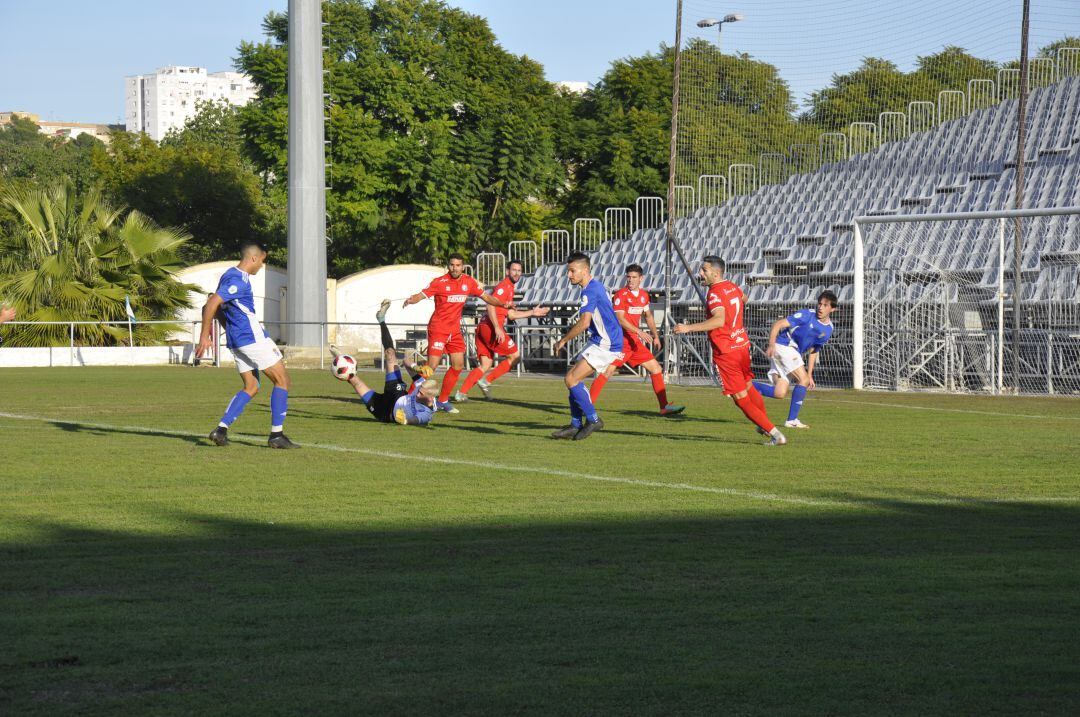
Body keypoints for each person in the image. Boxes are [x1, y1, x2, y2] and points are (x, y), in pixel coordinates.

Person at [675, 256, 786, 446]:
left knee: (739, 398)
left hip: (727, 351)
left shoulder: (714, 293)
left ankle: (777, 435)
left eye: (704, 270)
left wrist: (688, 328)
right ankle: (765, 425)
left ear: (716, 273)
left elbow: (719, 320)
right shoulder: (732, 286)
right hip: (741, 345)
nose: (700, 273)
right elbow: (744, 298)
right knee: (749, 387)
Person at [195, 242, 298, 449]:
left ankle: (221, 430)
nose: (261, 265)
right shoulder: (238, 281)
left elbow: (214, 306)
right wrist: (204, 336)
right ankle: (276, 435)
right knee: (283, 381)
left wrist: (226, 329)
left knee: (251, 387)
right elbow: (212, 304)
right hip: (252, 339)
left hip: (237, 340)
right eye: (261, 260)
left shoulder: (227, 275)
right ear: (253, 258)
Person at [402, 253, 507, 413]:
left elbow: (486, 297)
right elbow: (422, 295)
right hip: (438, 329)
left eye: (458, 265)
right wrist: (411, 300)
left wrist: (503, 304)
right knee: (431, 367)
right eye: (452, 265)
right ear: (448, 266)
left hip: (454, 331)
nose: (454, 268)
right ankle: (407, 399)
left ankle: (443, 400)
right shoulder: (439, 282)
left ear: (462, 267)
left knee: (458, 365)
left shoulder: (469, 282)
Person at [588, 263, 684, 416]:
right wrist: (640, 331)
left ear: (641, 278)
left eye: (634, 277)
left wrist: (655, 336)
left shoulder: (644, 296)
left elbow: (648, 316)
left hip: (635, 342)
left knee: (656, 369)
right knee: (607, 372)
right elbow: (620, 319)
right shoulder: (620, 295)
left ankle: (664, 406)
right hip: (621, 341)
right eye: (628, 277)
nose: (630, 280)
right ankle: (586, 406)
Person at [551, 252, 624, 441]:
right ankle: (575, 425)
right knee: (572, 380)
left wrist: (564, 340)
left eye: (572, 271)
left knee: (571, 379)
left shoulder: (591, 290)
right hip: (600, 340)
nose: (569, 275)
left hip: (606, 343)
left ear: (585, 270)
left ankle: (593, 420)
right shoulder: (595, 287)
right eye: (568, 271)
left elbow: (584, 322)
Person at [455, 260, 550, 400]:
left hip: (483, 327)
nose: (516, 273)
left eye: (519, 270)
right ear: (507, 271)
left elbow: (511, 314)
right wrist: (497, 328)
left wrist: (532, 312)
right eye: (514, 270)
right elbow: (490, 305)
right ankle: (486, 381)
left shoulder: (510, 288)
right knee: (516, 356)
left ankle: (461, 393)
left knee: (486, 364)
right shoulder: (504, 286)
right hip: (490, 328)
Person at [338, 301, 438, 426]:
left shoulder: (426, 413)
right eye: (419, 390)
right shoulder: (422, 385)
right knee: (390, 354)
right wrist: (416, 368)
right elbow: (406, 360)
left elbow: (415, 421)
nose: (417, 392)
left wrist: (405, 420)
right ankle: (381, 319)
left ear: (430, 398)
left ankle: (340, 361)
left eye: (420, 393)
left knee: (354, 380)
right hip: (397, 393)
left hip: (385, 411)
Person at [752, 290, 838, 429]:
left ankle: (743, 386)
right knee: (802, 380)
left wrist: (810, 374)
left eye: (825, 305)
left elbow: (814, 350)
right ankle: (792, 420)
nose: (820, 307)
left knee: (779, 393)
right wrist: (771, 344)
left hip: (790, 353)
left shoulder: (828, 329)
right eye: (819, 304)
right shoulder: (806, 315)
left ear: (833, 309)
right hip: (784, 346)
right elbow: (778, 324)